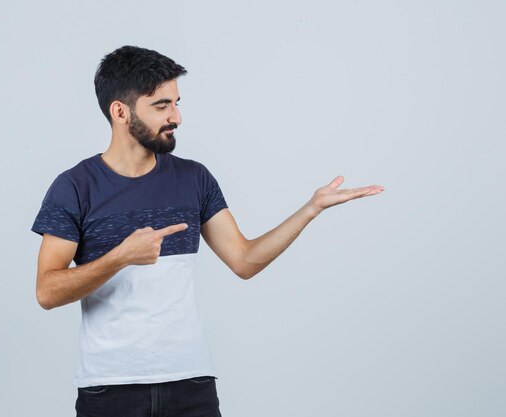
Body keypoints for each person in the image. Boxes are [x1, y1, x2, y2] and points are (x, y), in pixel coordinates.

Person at [31, 45, 385, 417]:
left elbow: (244, 261)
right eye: (161, 105)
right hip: (108, 390)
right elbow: (47, 291)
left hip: (192, 385)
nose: (177, 116)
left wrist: (310, 210)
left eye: (177, 103)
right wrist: (120, 257)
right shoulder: (74, 187)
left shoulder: (194, 178)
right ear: (120, 111)